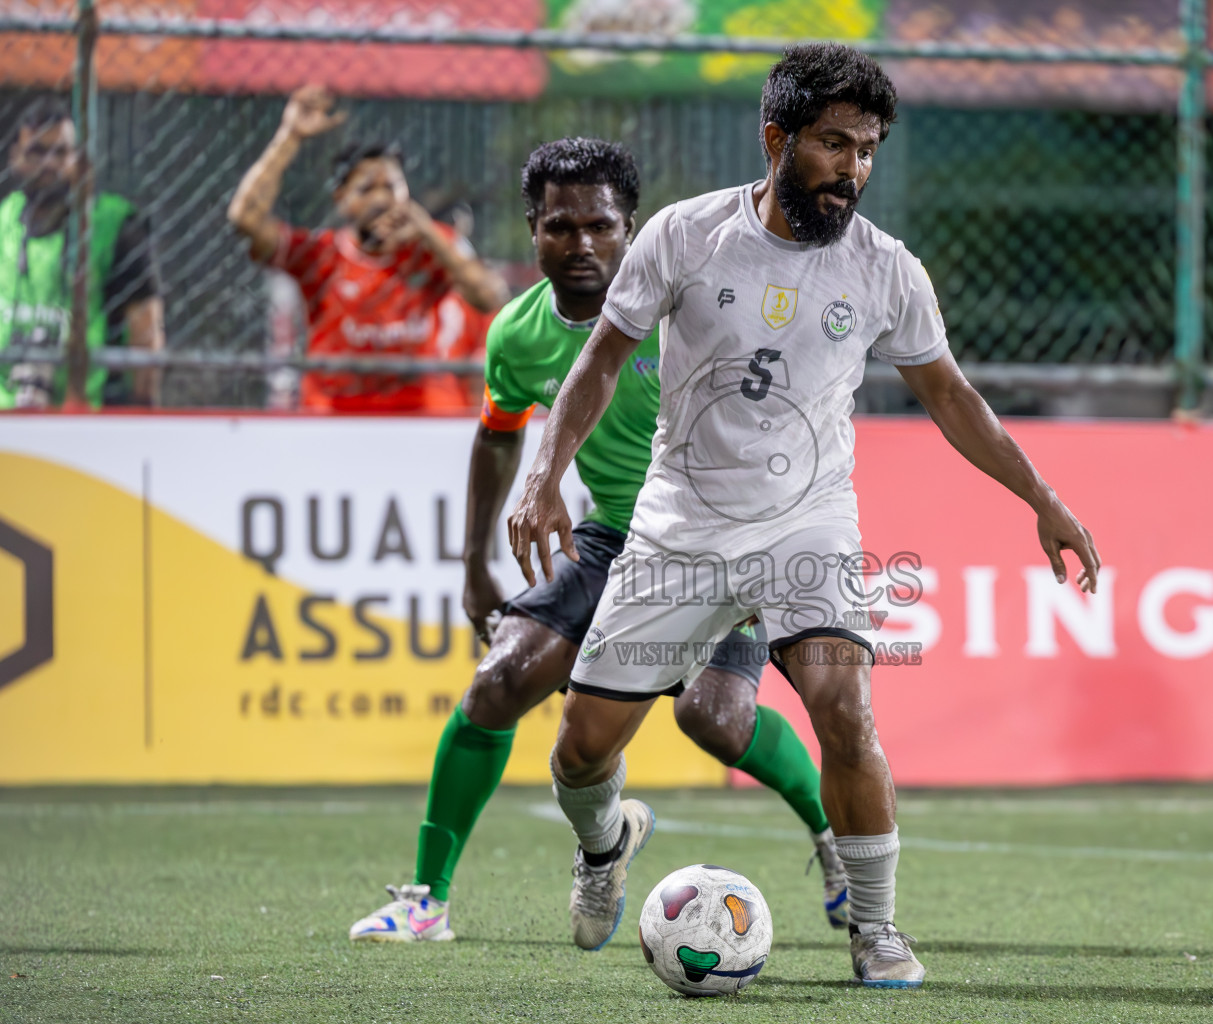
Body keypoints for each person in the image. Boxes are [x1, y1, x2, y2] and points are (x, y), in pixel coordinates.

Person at [506, 45, 1101, 988]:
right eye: (834, 144)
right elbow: (601, 363)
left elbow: (952, 397)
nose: (854, 168)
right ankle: (603, 846)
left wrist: (1041, 496)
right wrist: (546, 472)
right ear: (776, 137)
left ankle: (877, 930)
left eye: (868, 148)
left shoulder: (886, 270)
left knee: (846, 711)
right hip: (681, 526)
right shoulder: (682, 235)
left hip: (807, 528)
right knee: (581, 750)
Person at [348, 137, 847, 944]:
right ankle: (434, 898)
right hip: (617, 536)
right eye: (560, 226)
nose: (581, 244)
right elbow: (497, 434)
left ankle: (832, 837)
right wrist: (474, 561)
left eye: (600, 227)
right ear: (533, 231)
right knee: (499, 681)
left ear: (632, 229)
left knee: (713, 718)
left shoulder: (696, 310)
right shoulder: (516, 334)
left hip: (728, 537)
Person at [227, 85, 509, 413]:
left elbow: (491, 298)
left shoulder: (430, 248)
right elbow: (244, 218)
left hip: (413, 418)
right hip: (334, 419)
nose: (380, 199)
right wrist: (289, 137)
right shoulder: (321, 255)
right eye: (366, 189)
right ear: (342, 200)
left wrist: (426, 231)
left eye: (391, 187)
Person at [0, 95, 164, 409]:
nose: (49, 164)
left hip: (84, 417)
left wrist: (143, 415)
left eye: (60, 153)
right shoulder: (4, 221)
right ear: (15, 159)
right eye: (37, 151)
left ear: (79, 161)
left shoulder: (115, 226)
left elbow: (145, 334)